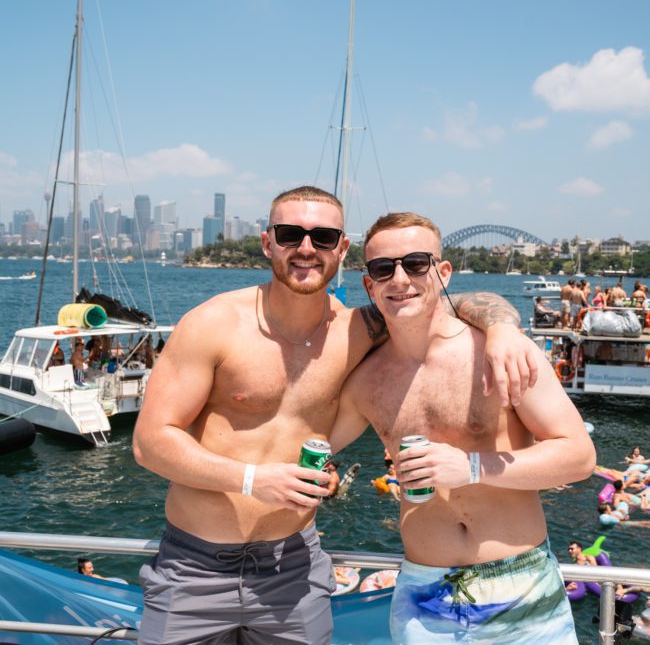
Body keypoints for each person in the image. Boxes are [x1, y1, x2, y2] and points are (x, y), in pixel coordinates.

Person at [132, 186, 539, 645]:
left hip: (292, 568)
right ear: (268, 243)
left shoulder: (359, 331)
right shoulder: (215, 323)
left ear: (342, 249)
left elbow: (439, 299)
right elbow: (150, 443)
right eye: (291, 234)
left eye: (323, 237)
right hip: (195, 567)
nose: (307, 249)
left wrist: (503, 326)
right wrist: (252, 479)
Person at [330, 212, 596, 644]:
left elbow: (580, 457)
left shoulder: (503, 355)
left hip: (520, 587)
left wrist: (472, 467)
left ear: (443, 272)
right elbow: (317, 445)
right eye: (383, 268)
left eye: (416, 263)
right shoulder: (365, 382)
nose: (400, 279)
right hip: (422, 595)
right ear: (369, 284)